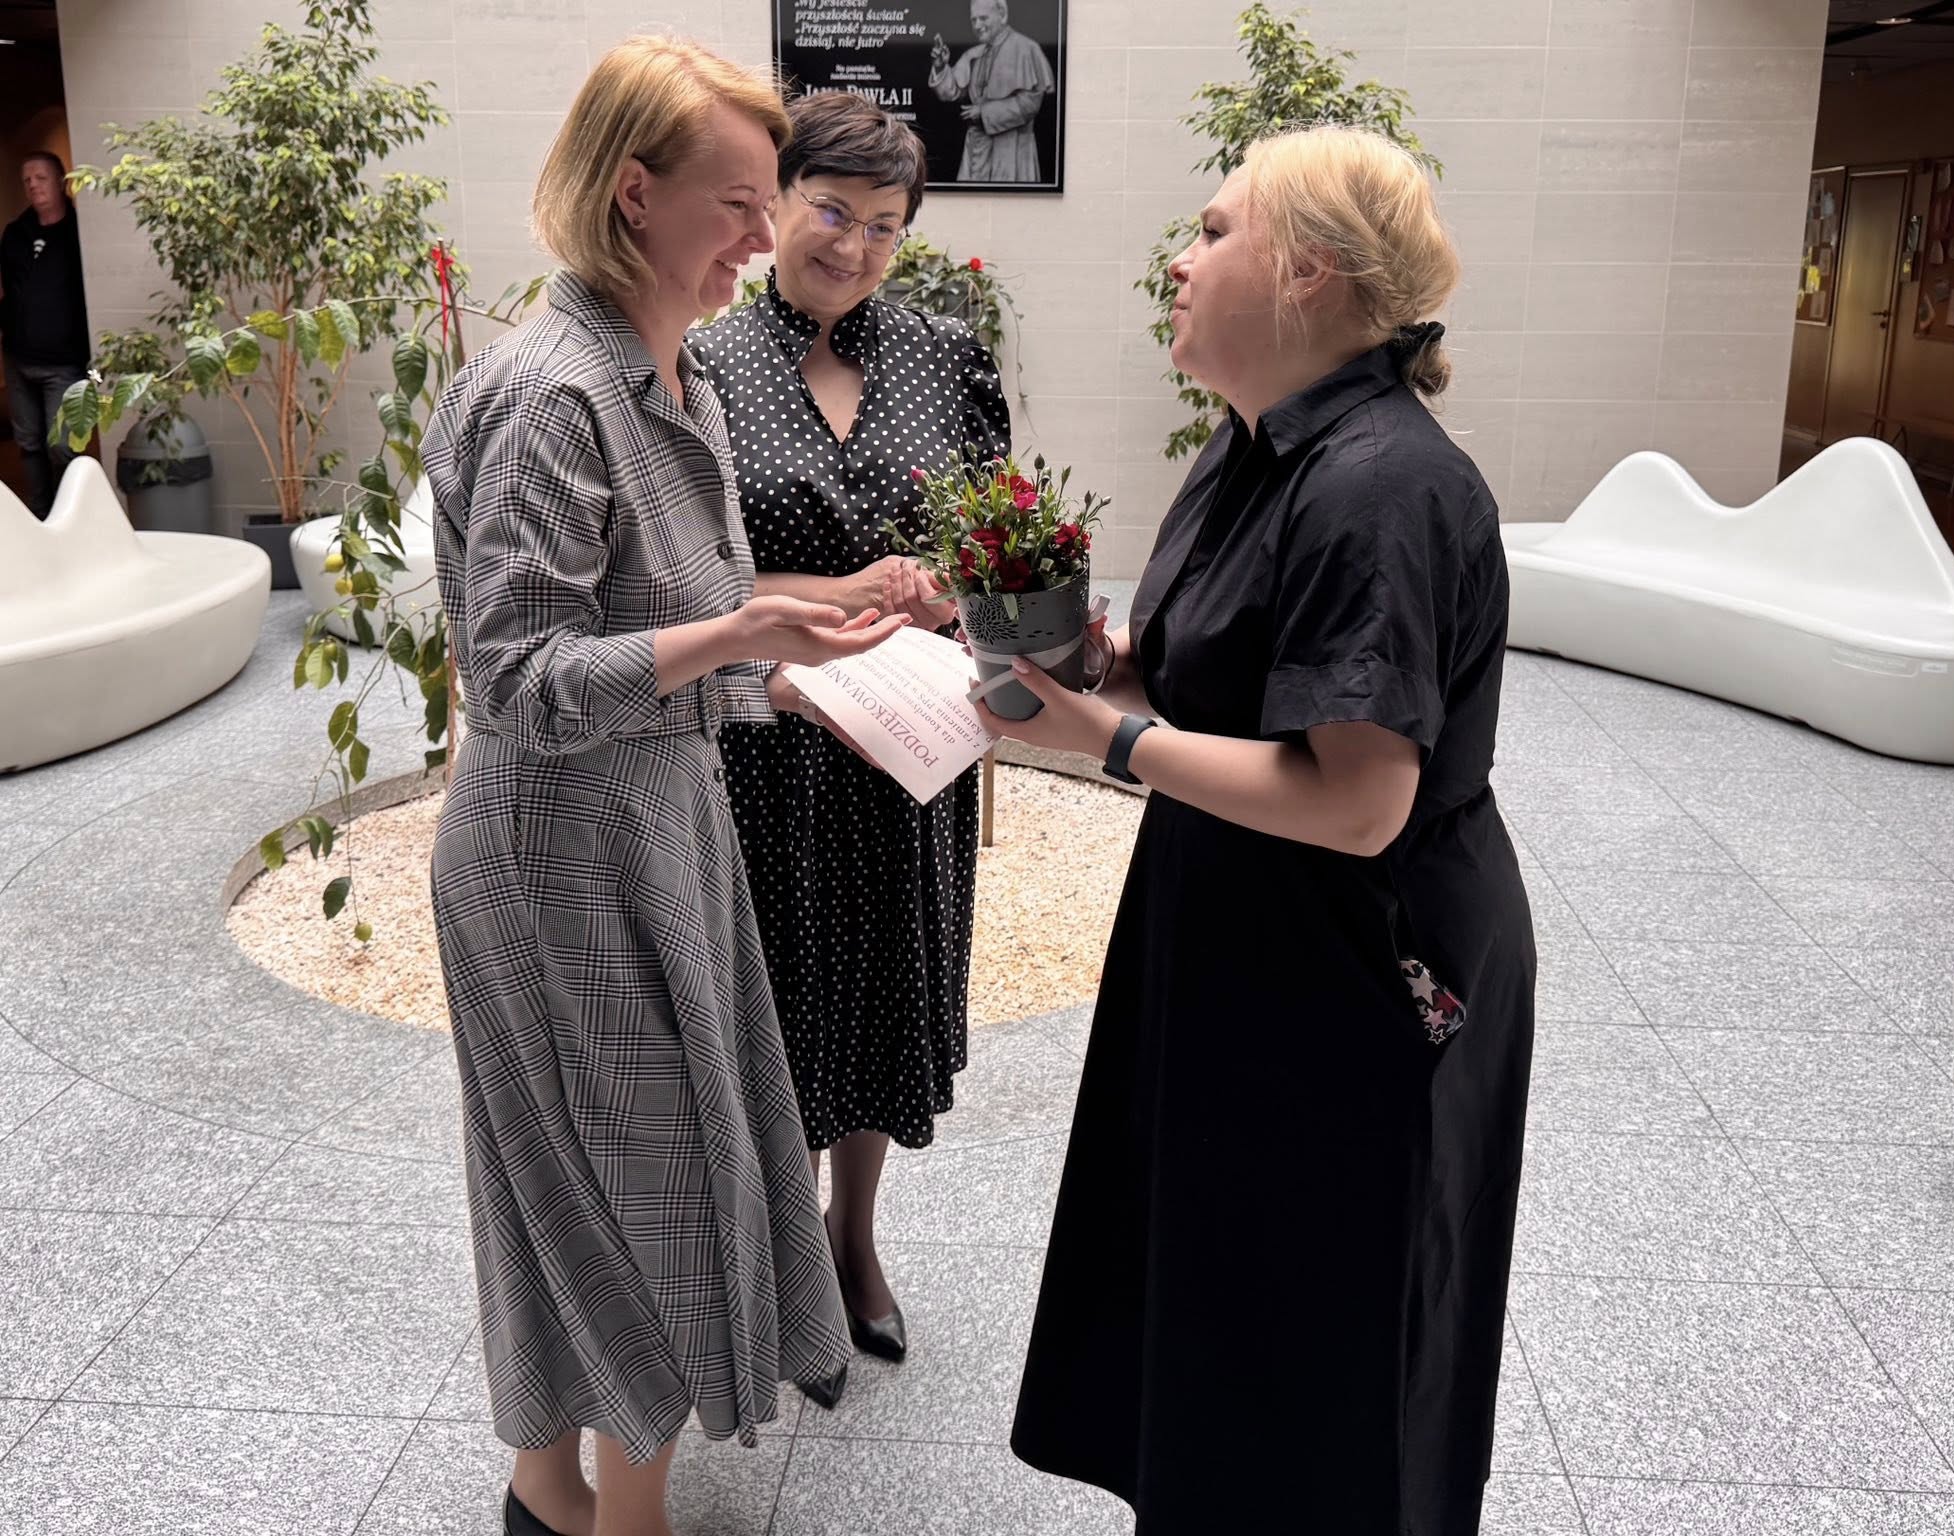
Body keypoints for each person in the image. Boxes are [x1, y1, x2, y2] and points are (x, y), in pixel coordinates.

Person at [988, 125, 1539, 1534]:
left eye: (1214, 229)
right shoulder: (1253, 447)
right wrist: (1095, 669)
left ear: (1307, 273)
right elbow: (1228, 677)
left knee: (1324, 1329)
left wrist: (1104, 740)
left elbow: (1358, 799)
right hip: (1240, 923)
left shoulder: (1381, 484)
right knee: (1220, 1288)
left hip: (1355, 960)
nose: (1181, 259)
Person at [421, 38, 906, 1536]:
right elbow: (516, 679)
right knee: (643, 1189)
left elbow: (671, 632)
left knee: (607, 1176)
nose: (764, 240)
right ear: (635, 194)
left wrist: (804, 673)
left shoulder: (663, 375)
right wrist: (744, 637)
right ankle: (611, 1515)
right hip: (556, 853)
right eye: (740, 204)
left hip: (648, 826)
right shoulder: (556, 395)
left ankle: (548, 1492)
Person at [690, 90, 1009, 1400]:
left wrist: (949, 585)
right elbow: (685, 577)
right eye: (831, 211)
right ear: (776, 204)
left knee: (882, 987)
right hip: (764, 736)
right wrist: (835, 595)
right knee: (777, 1001)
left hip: (906, 742)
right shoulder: (702, 364)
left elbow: (995, 542)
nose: (854, 245)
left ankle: (853, 1238)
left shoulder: (946, 357)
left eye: (884, 225)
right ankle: (786, 1255)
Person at [2, 151, 91, 517]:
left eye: (40, 178)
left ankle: (69, 517)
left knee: (63, 446)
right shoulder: (15, 234)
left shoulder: (80, 233)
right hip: (19, 358)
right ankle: (41, 517)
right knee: (28, 444)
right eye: (27, 180)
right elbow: (10, 291)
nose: (33, 186)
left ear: (61, 182)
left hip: (65, 362)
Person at [927, 0, 1055, 184]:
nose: (977, 25)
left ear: (1002, 15)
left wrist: (984, 112)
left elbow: (1030, 104)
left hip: (1012, 151)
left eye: (983, 18)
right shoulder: (974, 54)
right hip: (977, 150)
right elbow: (951, 92)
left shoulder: (1026, 48)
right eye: (973, 20)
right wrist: (940, 67)